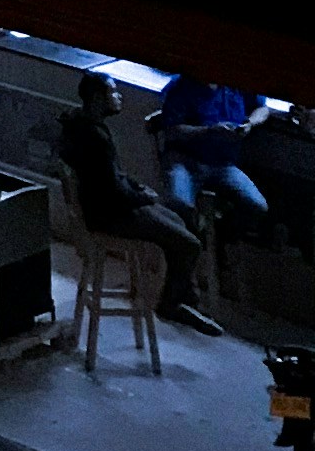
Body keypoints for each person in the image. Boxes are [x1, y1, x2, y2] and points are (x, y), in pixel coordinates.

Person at [54, 72, 209, 328]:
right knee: (189, 244)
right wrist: (142, 197)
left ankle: (186, 298)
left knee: (179, 221)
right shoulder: (96, 138)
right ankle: (171, 304)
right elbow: (112, 191)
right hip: (110, 215)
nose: (118, 97)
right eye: (112, 92)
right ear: (96, 99)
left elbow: (110, 177)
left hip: (110, 206)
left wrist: (137, 189)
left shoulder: (84, 126)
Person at [157, 72, 270, 233]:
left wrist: (250, 123)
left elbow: (263, 108)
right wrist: (209, 131)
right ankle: (194, 234)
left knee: (258, 206)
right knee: (179, 204)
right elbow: (172, 131)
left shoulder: (236, 85)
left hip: (223, 164)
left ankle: (219, 224)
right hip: (186, 160)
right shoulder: (182, 87)